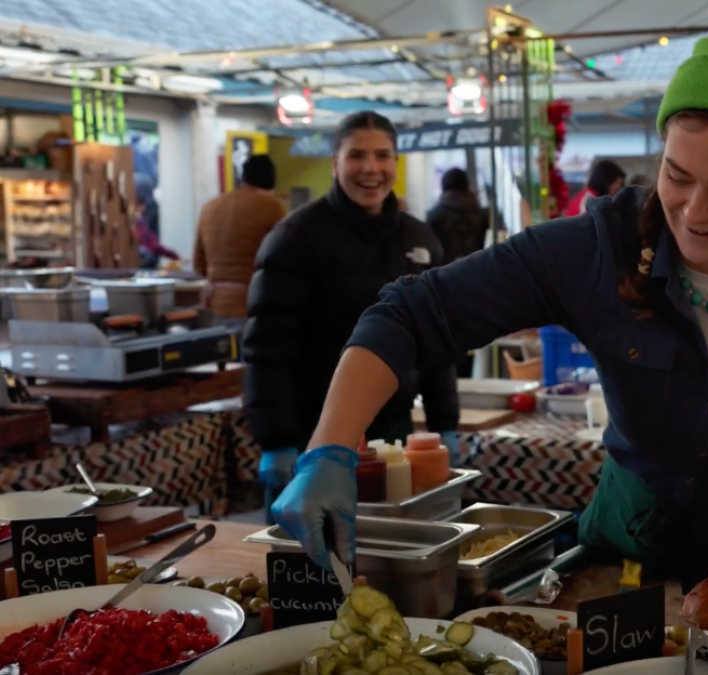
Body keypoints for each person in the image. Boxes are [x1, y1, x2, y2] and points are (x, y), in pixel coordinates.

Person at [270, 35, 708, 586]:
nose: (694, 212)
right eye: (677, 175)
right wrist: (330, 445)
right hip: (632, 544)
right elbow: (409, 314)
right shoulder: (597, 249)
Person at [243, 111, 462, 525]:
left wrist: (444, 423)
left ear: (395, 164)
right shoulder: (294, 238)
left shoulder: (421, 240)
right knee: (313, 561)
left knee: (388, 549)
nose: (370, 168)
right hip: (314, 429)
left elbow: (438, 340)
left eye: (382, 156)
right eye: (356, 155)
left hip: (391, 431)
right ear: (335, 163)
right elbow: (266, 348)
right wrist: (277, 441)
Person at [193, 155, 287, 320]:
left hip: (214, 306)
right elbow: (285, 259)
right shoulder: (273, 207)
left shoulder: (210, 207)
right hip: (254, 306)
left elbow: (199, 265)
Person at [426, 168, 491, 263]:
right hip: (476, 269)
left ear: (444, 186)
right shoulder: (481, 215)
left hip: (444, 273)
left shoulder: (433, 215)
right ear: (466, 186)